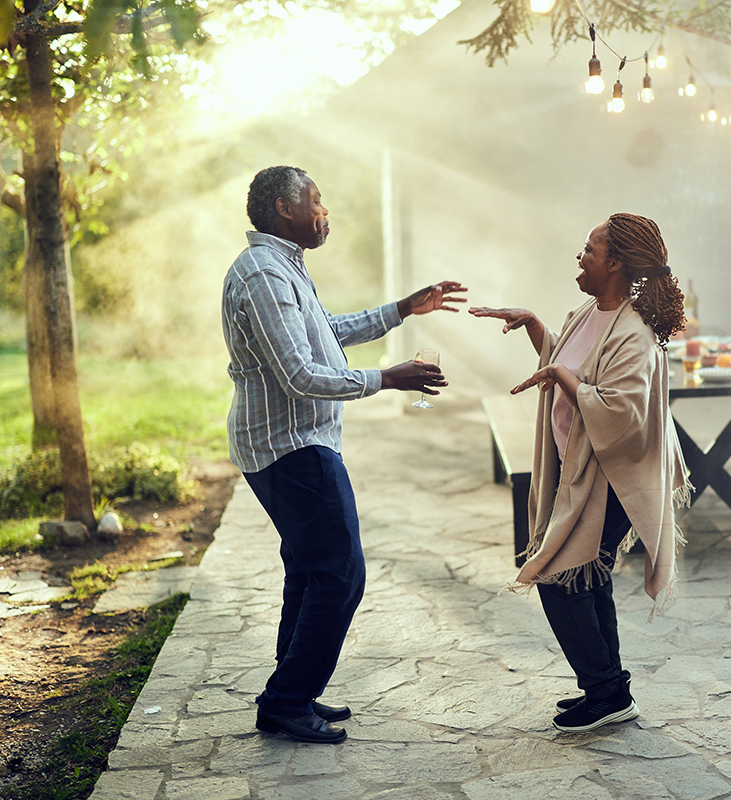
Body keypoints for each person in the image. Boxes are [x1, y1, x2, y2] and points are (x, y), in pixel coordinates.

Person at [221, 165, 466, 743]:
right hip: (289, 447)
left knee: (310, 572)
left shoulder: (282, 266)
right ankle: (287, 699)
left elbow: (325, 331)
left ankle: (290, 690)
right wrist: (389, 378)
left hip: (293, 444)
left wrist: (404, 308)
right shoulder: (262, 274)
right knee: (340, 575)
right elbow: (301, 375)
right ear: (285, 208)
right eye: (316, 199)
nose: (324, 210)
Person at [469, 213, 691, 733]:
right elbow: (569, 364)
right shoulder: (590, 311)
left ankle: (605, 690)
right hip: (580, 471)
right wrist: (536, 326)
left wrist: (562, 376)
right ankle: (609, 690)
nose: (580, 255)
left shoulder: (634, 334)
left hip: (613, 480)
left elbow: (622, 417)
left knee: (558, 576)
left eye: (589, 249)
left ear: (614, 262)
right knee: (587, 577)